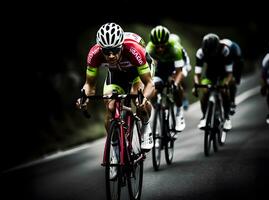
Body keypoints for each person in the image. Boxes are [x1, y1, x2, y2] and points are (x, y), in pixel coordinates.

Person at [76, 22, 155, 150]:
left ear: (121, 46)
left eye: (115, 50)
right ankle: (115, 147)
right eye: (106, 52)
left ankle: (146, 128)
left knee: (139, 99)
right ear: (101, 48)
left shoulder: (134, 50)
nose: (111, 55)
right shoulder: (94, 54)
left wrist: (144, 98)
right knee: (110, 106)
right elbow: (89, 85)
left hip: (137, 73)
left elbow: (150, 84)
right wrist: (84, 97)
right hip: (116, 74)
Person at [146, 25, 187, 132]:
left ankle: (179, 112)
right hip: (160, 68)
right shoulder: (149, 48)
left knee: (175, 86)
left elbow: (180, 72)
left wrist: (175, 83)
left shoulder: (175, 47)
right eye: (157, 46)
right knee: (152, 87)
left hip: (173, 68)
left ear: (167, 43)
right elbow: (147, 71)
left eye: (163, 46)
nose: (160, 49)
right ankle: (157, 108)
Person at [192, 33, 233, 131]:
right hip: (209, 75)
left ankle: (227, 118)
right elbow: (197, 74)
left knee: (224, 91)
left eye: (213, 51)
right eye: (208, 52)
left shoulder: (225, 50)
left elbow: (229, 73)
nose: (211, 54)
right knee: (205, 91)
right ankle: (204, 117)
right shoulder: (200, 52)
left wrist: (226, 83)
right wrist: (197, 85)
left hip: (223, 74)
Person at [220, 38, 244, 115]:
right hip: (223, 61)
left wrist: (237, 77)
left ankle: (232, 101)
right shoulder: (219, 49)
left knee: (232, 81)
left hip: (234, 62)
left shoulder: (234, 48)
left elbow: (239, 63)